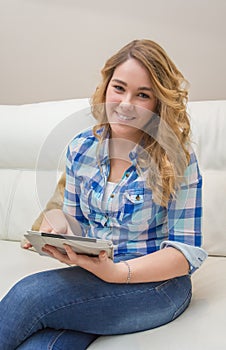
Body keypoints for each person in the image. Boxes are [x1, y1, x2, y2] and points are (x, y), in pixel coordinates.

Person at [0, 39, 207, 350]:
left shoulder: (176, 159)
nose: (125, 104)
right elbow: (77, 223)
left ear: (158, 103)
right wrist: (59, 226)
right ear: (106, 87)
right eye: (119, 88)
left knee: (28, 296)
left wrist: (117, 273)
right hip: (94, 275)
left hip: (159, 287)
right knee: (42, 346)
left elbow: (184, 253)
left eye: (143, 95)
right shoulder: (80, 148)